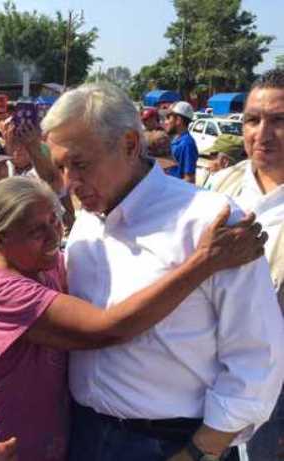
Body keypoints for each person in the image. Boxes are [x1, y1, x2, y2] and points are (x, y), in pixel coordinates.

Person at [0, 176, 268, 461]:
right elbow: (109, 328)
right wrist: (203, 263)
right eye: (36, 231)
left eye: (53, 221)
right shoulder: (2, 290)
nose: (54, 235)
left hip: (36, 439)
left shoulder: (41, 262)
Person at [43, 82, 284, 461]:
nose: (69, 182)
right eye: (61, 167)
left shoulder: (211, 221)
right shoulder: (87, 222)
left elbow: (257, 358)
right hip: (82, 432)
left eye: (81, 164)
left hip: (169, 444)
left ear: (128, 144)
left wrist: (200, 451)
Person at [206, 68, 284, 461]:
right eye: (253, 120)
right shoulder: (221, 186)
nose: (262, 133)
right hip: (211, 369)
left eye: (279, 121)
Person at [165, 101, 200, 182]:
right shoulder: (175, 139)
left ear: (178, 120)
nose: (165, 122)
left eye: (168, 117)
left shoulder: (187, 144)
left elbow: (189, 179)